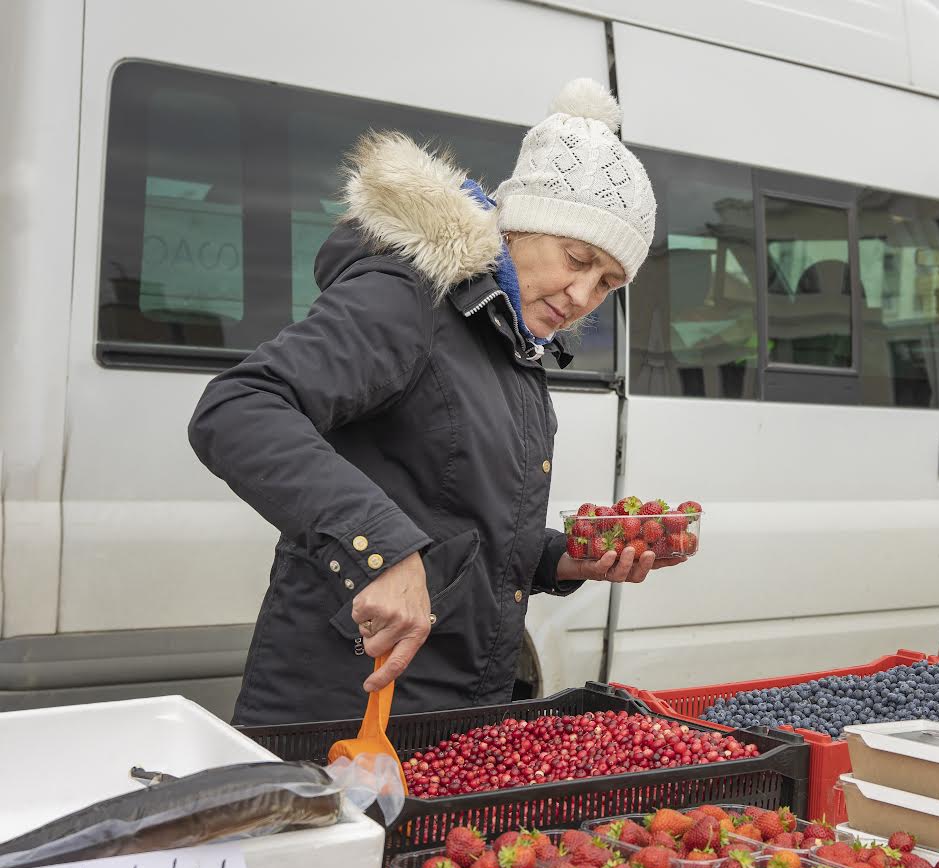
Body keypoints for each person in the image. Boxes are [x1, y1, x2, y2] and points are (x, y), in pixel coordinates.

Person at [189, 79, 667, 725]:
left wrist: (558, 556)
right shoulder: (408, 297)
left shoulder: (509, 339)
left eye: (607, 282)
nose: (583, 293)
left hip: (449, 711)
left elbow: (452, 517)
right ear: (523, 222)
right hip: (345, 709)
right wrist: (379, 549)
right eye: (576, 257)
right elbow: (240, 407)